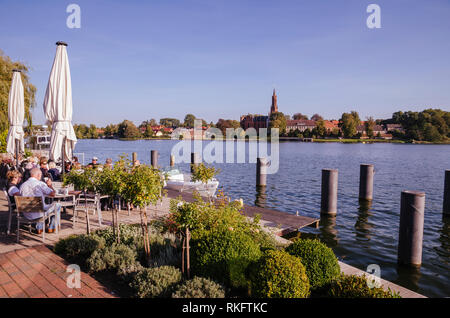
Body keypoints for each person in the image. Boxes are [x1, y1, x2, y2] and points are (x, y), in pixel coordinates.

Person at [19, 168, 61, 234]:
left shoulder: (22, 185)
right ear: (39, 175)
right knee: (58, 205)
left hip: (26, 213)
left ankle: (39, 228)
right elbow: (53, 194)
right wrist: (49, 185)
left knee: (40, 206)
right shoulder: (40, 184)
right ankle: (51, 228)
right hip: (38, 212)